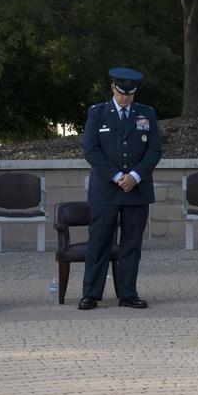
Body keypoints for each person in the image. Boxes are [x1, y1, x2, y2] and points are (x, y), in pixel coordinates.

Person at [79, 68, 162, 310]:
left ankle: (127, 293)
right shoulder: (98, 113)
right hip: (106, 189)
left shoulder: (146, 114)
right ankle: (91, 294)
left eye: (130, 93)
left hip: (137, 189)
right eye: (122, 92)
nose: (125, 97)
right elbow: (91, 150)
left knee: (131, 244)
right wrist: (117, 176)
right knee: (99, 243)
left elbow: (154, 150)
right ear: (113, 88)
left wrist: (135, 176)